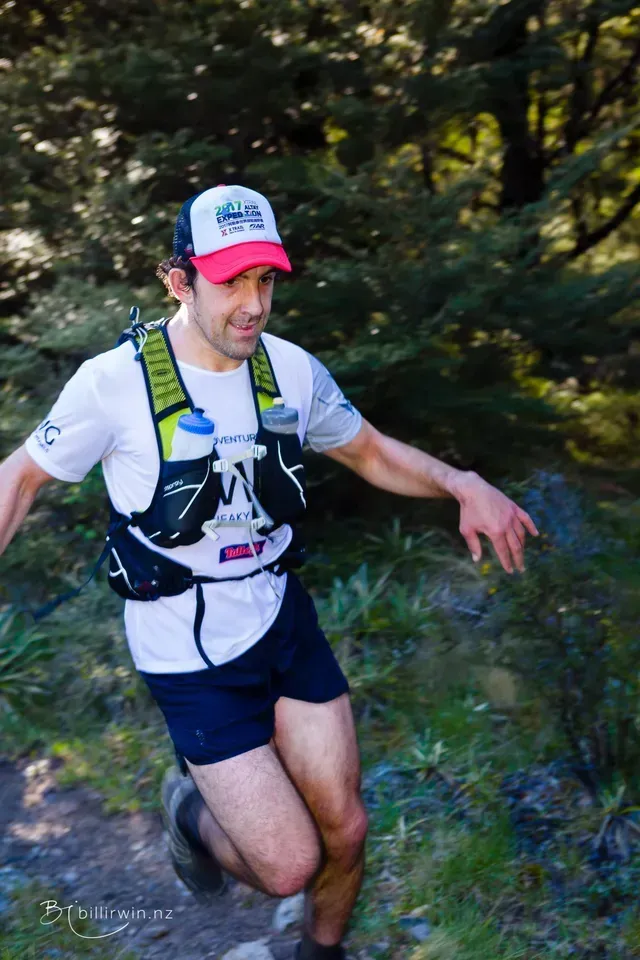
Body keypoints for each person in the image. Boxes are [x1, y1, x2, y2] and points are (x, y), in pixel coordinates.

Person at [0, 184, 538, 959]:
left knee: (345, 828)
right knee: (288, 866)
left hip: (281, 619)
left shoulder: (289, 369)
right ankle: (190, 816)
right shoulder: (111, 385)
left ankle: (319, 955)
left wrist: (461, 482)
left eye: (266, 279)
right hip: (187, 654)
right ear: (179, 280)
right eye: (231, 281)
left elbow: (370, 451)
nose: (253, 304)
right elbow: (19, 479)